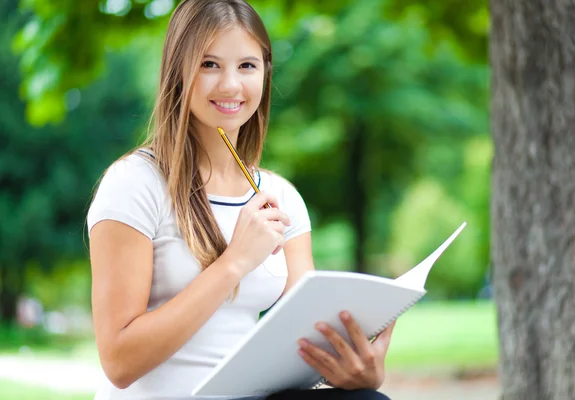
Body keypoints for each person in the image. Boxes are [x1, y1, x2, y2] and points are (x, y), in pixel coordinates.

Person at [86, 0, 396, 399]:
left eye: (247, 66)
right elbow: (118, 362)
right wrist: (234, 263)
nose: (231, 85)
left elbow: (302, 342)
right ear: (178, 72)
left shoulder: (280, 197)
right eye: (209, 64)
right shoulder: (134, 183)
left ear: (265, 73)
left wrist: (356, 372)